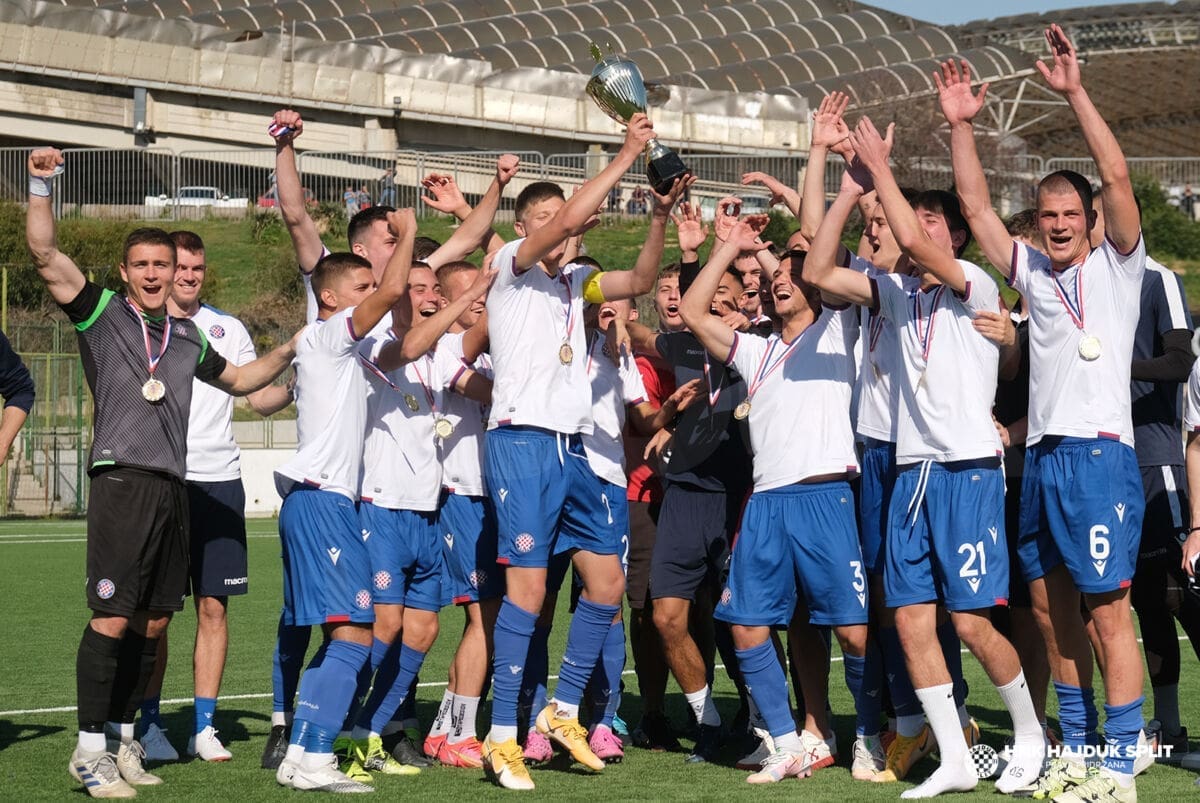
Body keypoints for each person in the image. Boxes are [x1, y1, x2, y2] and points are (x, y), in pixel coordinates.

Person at [27, 147, 297, 800]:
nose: (154, 274)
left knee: (152, 623)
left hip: (175, 489)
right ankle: (89, 750)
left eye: (163, 265)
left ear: (178, 274)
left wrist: (297, 346)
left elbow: (244, 381)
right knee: (112, 618)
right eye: (143, 265)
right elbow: (45, 252)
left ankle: (124, 740)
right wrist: (41, 185)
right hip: (123, 481)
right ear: (125, 272)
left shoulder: (189, 339)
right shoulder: (101, 313)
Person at [807, 118, 1047, 798]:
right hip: (913, 474)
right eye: (915, 220)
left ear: (957, 237)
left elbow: (910, 239)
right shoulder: (897, 292)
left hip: (967, 470)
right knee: (910, 620)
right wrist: (852, 188)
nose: (915, 230)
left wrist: (881, 166)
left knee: (969, 621)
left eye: (932, 220)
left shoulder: (975, 284)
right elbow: (818, 271)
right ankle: (954, 757)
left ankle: (1030, 734)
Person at [944, 30, 1148, 799]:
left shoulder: (1119, 265)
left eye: (1070, 213)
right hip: (1042, 464)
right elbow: (973, 207)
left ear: (1090, 219)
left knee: (1108, 614)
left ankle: (1121, 765)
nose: (1058, 224)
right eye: (1047, 214)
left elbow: (1117, 173)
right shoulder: (1030, 271)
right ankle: (1077, 748)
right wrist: (961, 126)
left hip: (1099, 457)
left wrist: (1075, 93)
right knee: (1049, 609)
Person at [478, 112, 675, 791]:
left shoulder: (578, 283)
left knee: (608, 584)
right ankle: (502, 737)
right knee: (529, 593)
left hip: (575, 452)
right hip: (522, 441)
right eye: (546, 218)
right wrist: (625, 154)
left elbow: (641, 278)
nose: (561, 226)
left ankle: (563, 711)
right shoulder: (511, 267)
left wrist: (658, 215)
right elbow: (563, 224)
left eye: (562, 217)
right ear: (523, 227)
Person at [683, 213, 871, 785]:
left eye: (791, 276)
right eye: (773, 279)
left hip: (825, 497)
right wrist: (729, 246)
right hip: (766, 503)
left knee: (853, 633)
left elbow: (819, 267)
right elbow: (692, 311)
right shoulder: (755, 351)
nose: (778, 281)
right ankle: (788, 744)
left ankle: (869, 736)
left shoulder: (838, 331)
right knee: (746, 626)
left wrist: (778, 257)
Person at [136, 231, 293, 765]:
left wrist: (298, 384)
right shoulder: (140, 326)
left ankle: (203, 728)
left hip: (220, 481)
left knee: (213, 606)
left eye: (196, 269)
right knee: (157, 613)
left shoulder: (228, 328)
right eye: (180, 267)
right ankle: (149, 725)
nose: (187, 276)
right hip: (163, 478)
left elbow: (257, 399)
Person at [272, 210, 416, 793]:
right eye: (360, 287)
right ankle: (315, 757)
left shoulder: (342, 351)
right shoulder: (330, 334)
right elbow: (393, 290)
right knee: (356, 634)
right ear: (328, 297)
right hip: (323, 501)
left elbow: (403, 328)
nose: (370, 295)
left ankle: (302, 752)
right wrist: (408, 233)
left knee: (345, 635)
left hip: (323, 502)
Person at [345, 261, 494, 777]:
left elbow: (474, 366)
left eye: (434, 289)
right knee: (383, 625)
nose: (429, 296)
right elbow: (408, 349)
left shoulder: (442, 352)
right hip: (383, 503)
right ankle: (338, 729)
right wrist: (472, 294)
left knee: (424, 628)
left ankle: (370, 733)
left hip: (426, 509)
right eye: (418, 289)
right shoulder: (376, 344)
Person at [422, 260, 502, 769]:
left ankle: (445, 729)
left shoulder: (484, 352)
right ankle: (459, 733)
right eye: (472, 292)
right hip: (462, 496)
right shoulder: (447, 348)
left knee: (488, 618)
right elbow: (493, 391)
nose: (482, 299)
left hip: (490, 497)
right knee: (483, 617)